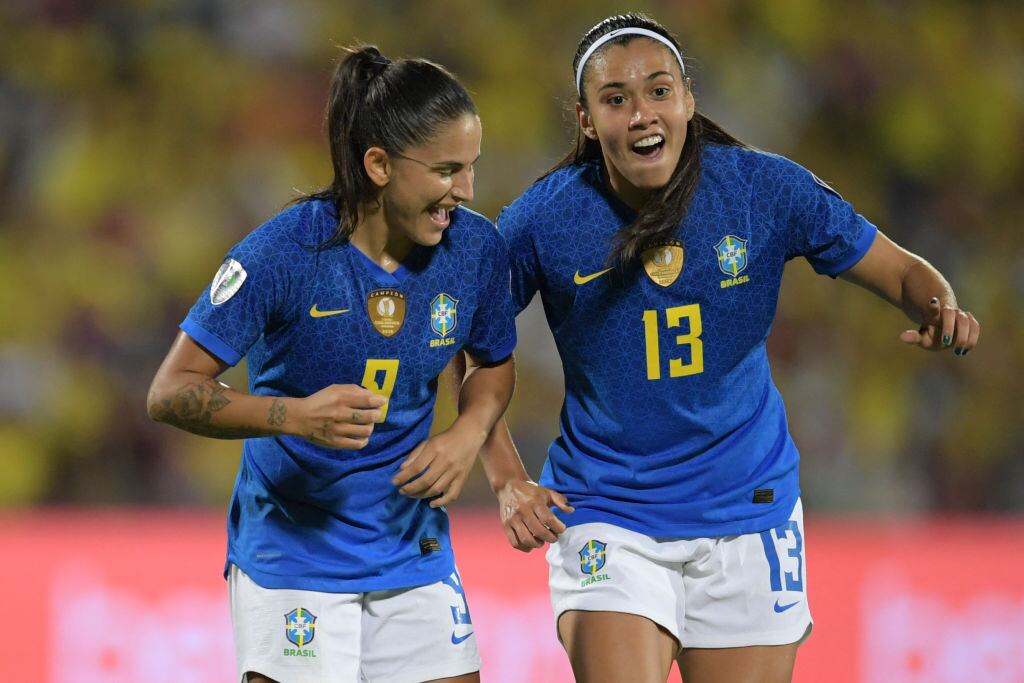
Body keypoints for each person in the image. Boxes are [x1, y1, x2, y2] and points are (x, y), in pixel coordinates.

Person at [475, 13, 981, 683]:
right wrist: (507, 476)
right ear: (587, 119)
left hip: (747, 509)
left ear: (688, 97)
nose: (642, 113)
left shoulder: (764, 190)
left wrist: (938, 304)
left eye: (659, 91)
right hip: (607, 511)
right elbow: (472, 343)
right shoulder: (544, 219)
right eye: (616, 99)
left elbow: (898, 269)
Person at [147, 45, 516, 683]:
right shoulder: (284, 253)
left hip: (410, 542)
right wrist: (292, 416)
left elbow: (491, 363)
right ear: (379, 164)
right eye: (447, 170)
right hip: (294, 552)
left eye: (471, 168)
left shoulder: (474, 248)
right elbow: (170, 390)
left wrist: (467, 432)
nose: (466, 191)